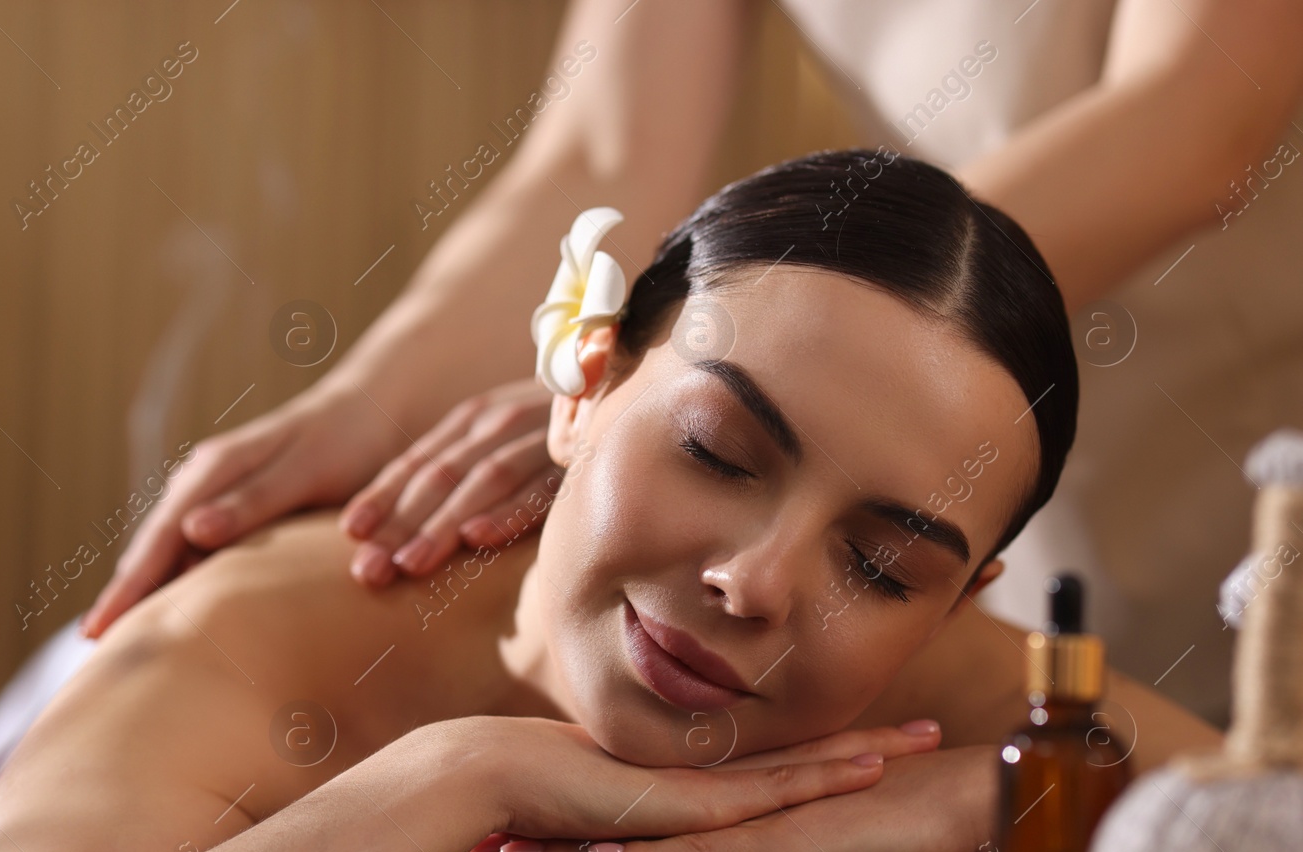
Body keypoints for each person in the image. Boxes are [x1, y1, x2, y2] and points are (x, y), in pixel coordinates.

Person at [0, 152, 1218, 852]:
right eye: (715, 451)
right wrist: (455, 771)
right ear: (582, 388)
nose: (758, 584)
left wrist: (1009, 801)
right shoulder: (250, 643)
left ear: (957, 602)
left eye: (879, 568)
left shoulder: (990, 707)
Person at [79, 0, 1303, 730]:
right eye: (711, 449)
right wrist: (376, 396)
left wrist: (733, 347)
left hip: (1229, 447)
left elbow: (1196, 120)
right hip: (907, 466)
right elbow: (602, 153)